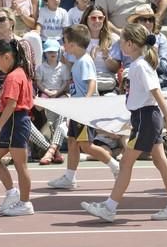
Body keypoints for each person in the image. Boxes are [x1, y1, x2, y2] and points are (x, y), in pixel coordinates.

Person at [81, 23, 167, 222]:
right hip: (144, 118)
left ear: (130, 44)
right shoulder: (139, 64)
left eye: (121, 41)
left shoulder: (140, 65)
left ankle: (110, 207)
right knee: (160, 161)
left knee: (126, 164)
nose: (119, 44)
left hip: (147, 118)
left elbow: (156, 93)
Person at [47, 24, 120, 188]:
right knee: (73, 142)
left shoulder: (85, 61)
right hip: (77, 110)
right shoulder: (79, 61)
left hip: (84, 110)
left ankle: (116, 167)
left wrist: (86, 102)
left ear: (72, 45)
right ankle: (69, 178)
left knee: (86, 146)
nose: (63, 45)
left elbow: (92, 82)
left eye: (64, 41)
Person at [0, 39, 35, 217]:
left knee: (20, 165)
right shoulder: (19, 73)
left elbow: (12, 104)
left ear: (7, 57)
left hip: (16, 121)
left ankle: (25, 203)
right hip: (13, 121)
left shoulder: (14, 76)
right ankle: (12, 192)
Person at [0, 7, 37, 97]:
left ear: (11, 22)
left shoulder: (23, 43)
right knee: (4, 92)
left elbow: (30, 71)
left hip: (21, 81)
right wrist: (11, 58)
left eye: (2, 19)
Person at [35, 39, 70, 165]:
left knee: (62, 112)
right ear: (45, 53)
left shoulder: (64, 67)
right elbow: (38, 82)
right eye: (49, 51)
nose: (52, 53)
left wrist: (57, 92)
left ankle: (53, 150)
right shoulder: (41, 67)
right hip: (46, 93)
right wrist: (47, 92)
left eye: (54, 51)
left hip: (60, 94)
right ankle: (56, 151)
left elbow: (66, 83)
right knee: (40, 108)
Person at [82, 5, 120, 94]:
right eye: (93, 18)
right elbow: (73, 67)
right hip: (86, 81)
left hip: (107, 82)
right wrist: (89, 59)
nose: (97, 21)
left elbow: (115, 69)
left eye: (100, 18)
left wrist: (106, 56)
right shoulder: (78, 39)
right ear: (86, 19)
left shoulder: (113, 39)